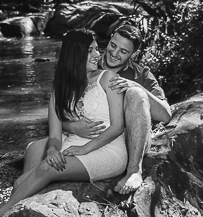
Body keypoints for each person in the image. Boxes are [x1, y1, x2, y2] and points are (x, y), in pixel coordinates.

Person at [0, 28, 127, 217]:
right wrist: (52, 149)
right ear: (75, 54)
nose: (98, 55)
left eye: (97, 49)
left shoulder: (108, 78)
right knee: (19, 183)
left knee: (47, 168)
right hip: (74, 146)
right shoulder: (60, 91)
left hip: (109, 150)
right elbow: (55, 135)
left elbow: (117, 127)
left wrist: (84, 148)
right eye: (90, 50)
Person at [23, 20, 171, 196]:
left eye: (123, 51)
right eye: (112, 45)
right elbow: (60, 106)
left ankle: (134, 171)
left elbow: (165, 115)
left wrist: (134, 85)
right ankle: (21, 200)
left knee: (136, 94)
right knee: (34, 148)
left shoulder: (142, 74)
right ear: (109, 39)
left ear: (134, 53)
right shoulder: (88, 61)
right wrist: (70, 126)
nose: (114, 54)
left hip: (128, 137)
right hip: (87, 135)